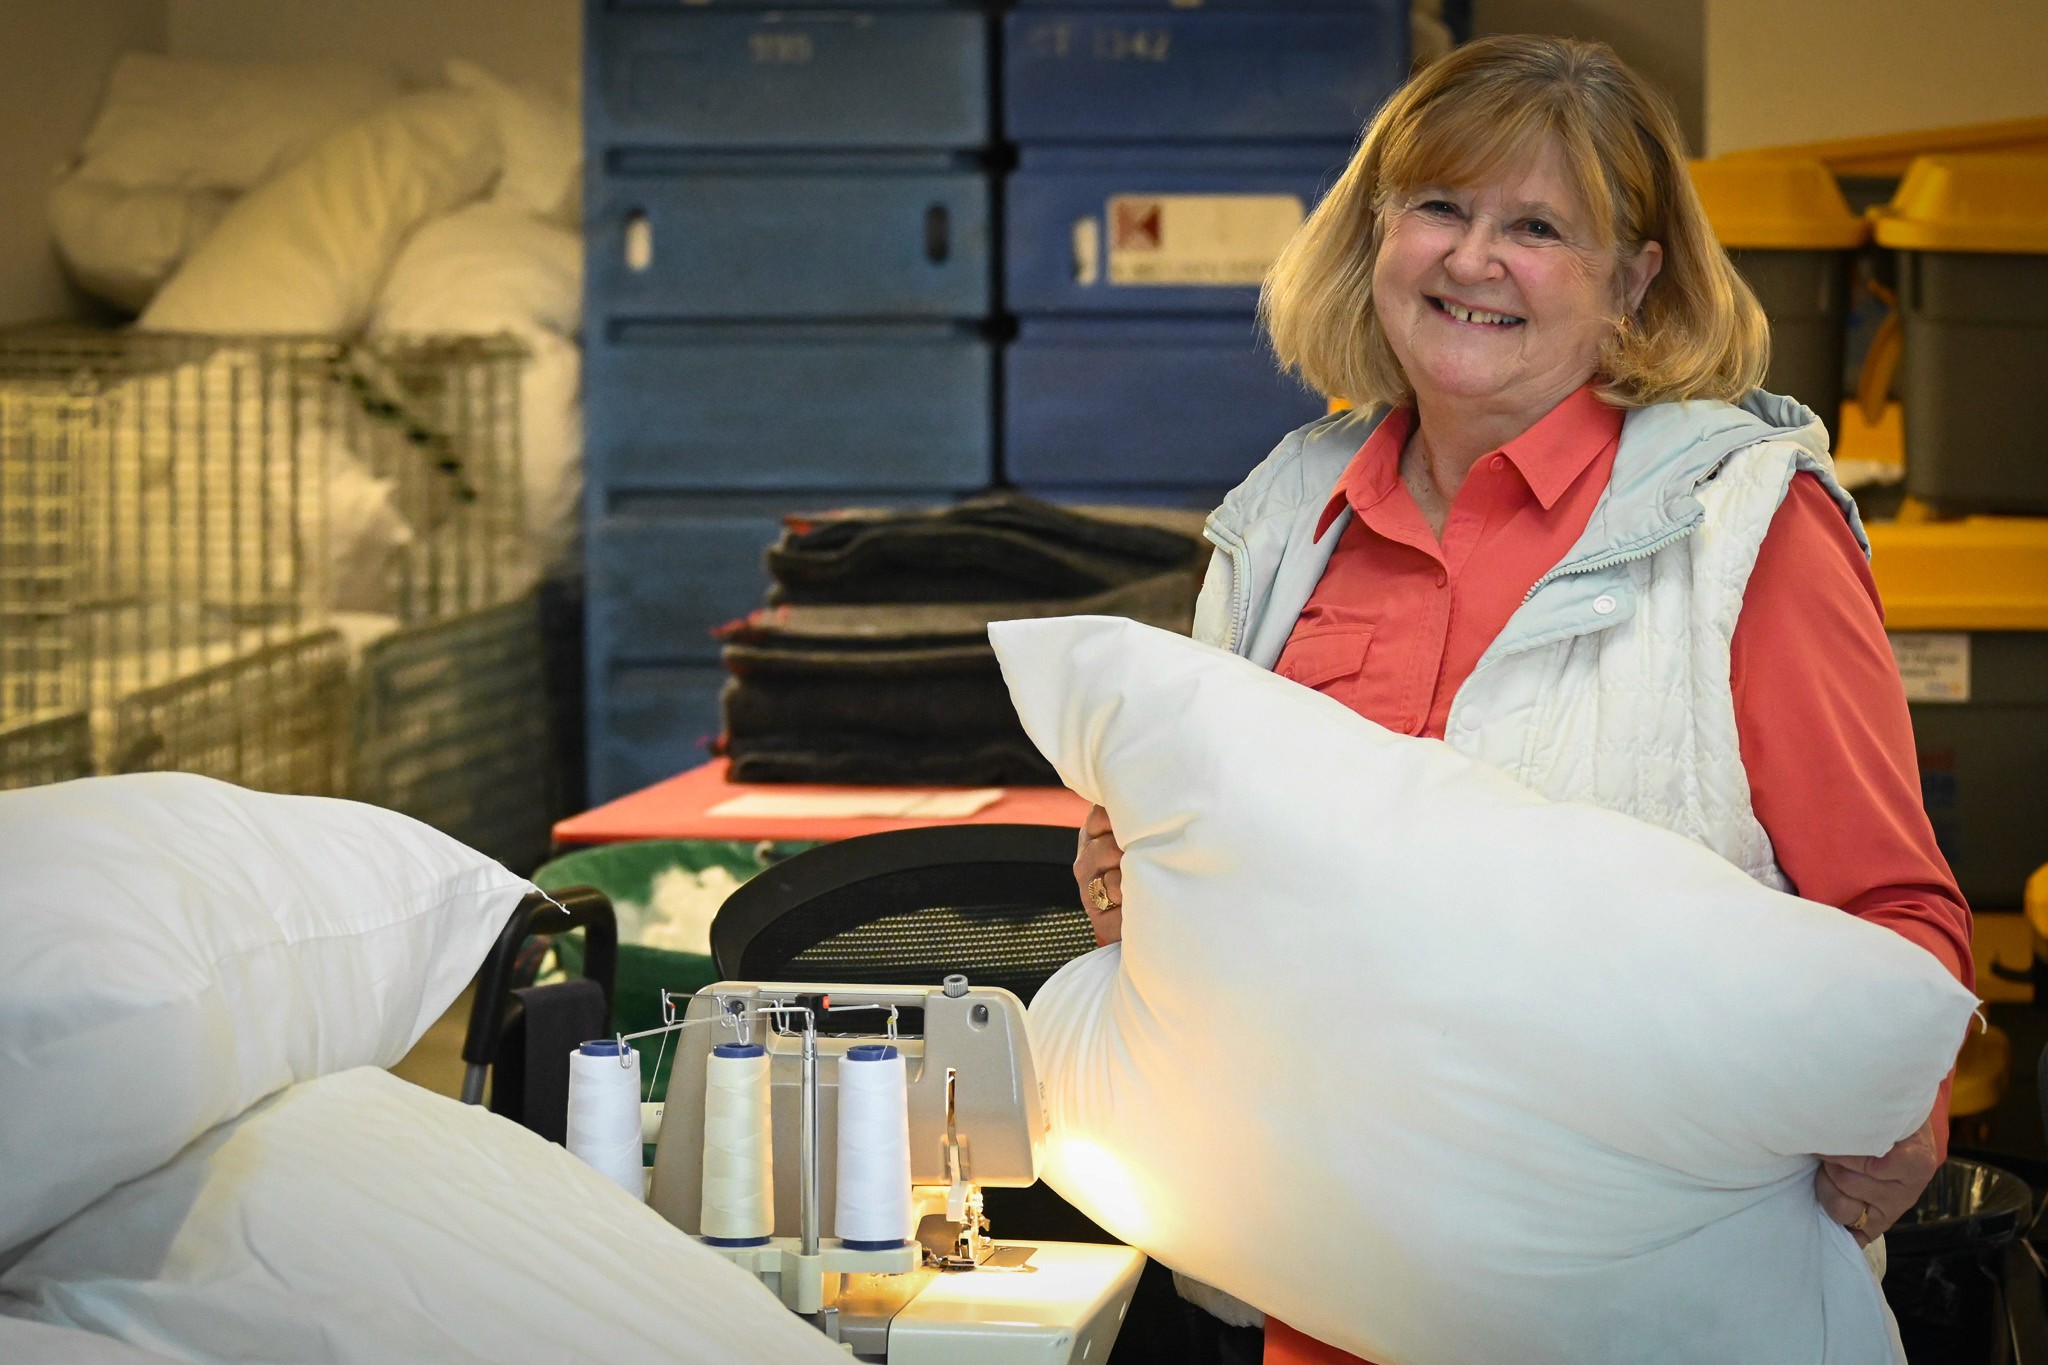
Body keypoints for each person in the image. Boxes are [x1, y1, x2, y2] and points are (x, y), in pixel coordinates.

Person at [1071, 33, 1973, 1365]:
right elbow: (1199, 878)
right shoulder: (1284, 524)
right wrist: (1132, 881)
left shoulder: (1741, 533)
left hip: (1658, 1321)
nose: (1474, 259)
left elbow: (1900, 918)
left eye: (1539, 226)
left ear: (1634, 278)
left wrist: (1907, 1109)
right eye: (1440, 206)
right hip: (1325, 1304)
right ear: (1374, 232)